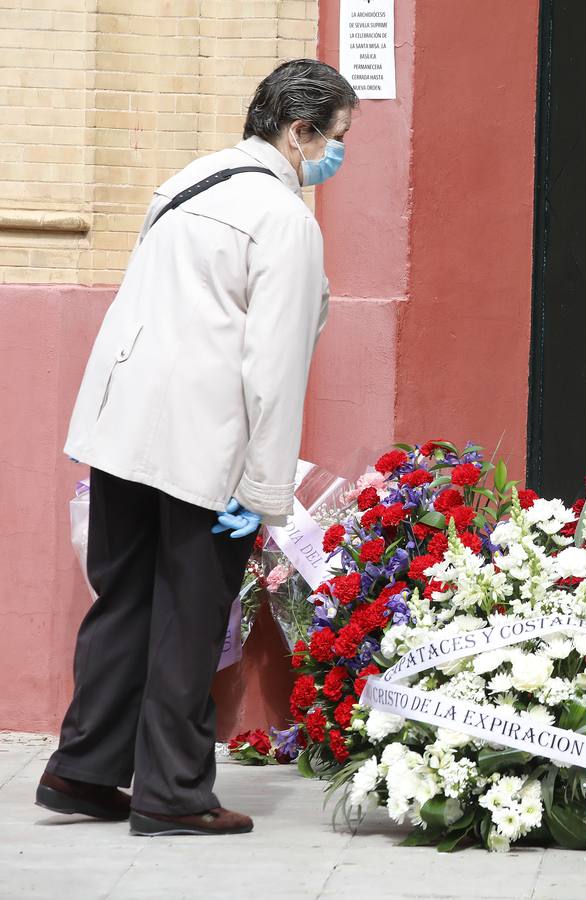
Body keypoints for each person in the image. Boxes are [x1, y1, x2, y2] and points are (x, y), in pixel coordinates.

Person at [36, 59, 357, 837]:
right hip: (202, 443)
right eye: (337, 139)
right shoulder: (285, 220)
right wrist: (264, 495)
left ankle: (83, 770)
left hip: (123, 426)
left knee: (126, 601)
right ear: (299, 130)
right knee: (189, 608)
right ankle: (174, 794)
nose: (338, 157)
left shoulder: (190, 180)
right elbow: (274, 367)